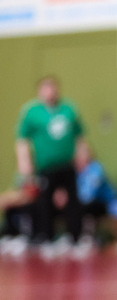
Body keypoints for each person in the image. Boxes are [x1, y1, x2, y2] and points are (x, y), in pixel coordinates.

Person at [15, 76, 85, 248]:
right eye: (45, 88)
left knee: (73, 201)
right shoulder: (31, 112)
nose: (50, 92)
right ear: (40, 91)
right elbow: (22, 139)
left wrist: (81, 155)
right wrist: (24, 162)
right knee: (45, 202)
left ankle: (75, 239)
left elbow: (79, 136)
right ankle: (47, 238)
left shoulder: (68, 109)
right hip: (46, 166)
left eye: (52, 88)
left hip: (67, 165)